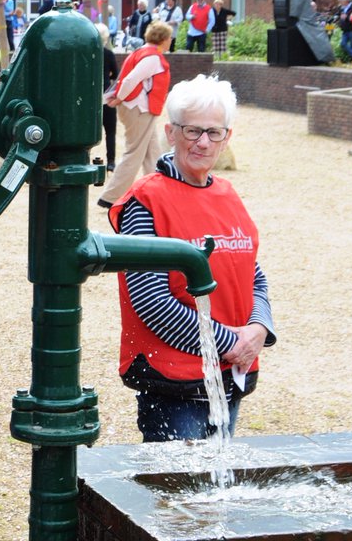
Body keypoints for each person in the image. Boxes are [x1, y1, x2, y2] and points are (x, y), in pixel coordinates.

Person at [108, 75, 275, 441]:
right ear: (171, 133)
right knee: (179, 479)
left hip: (230, 372)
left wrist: (259, 330)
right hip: (175, 384)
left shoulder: (228, 195)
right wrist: (231, 344)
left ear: (226, 138)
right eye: (192, 131)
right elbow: (151, 301)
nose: (203, 142)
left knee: (217, 477)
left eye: (214, 132)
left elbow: (254, 276)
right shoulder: (146, 201)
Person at [98, 21, 173, 209]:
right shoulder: (152, 58)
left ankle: (158, 193)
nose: (171, 40)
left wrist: (119, 98)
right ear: (163, 39)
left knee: (152, 152)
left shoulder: (141, 52)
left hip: (138, 109)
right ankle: (111, 196)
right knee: (135, 153)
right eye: (169, 37)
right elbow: (131, 80)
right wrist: (119, 97)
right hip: (139, 109)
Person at [98, 23, 119, 173]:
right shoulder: (108, 54)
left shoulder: (86, 53)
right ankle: (111, 161)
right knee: (110, 131)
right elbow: (115, 74)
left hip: (89, 96)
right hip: (105, 95)